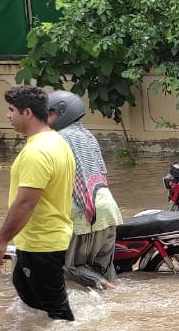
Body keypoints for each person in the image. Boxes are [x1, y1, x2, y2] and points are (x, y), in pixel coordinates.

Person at [0, 85, 77, 321]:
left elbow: (25, 203)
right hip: (46, 238)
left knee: (58, 312)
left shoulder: (36, 152)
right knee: (23, 285)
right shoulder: (57, 141)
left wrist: (0, 241)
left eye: (11, 110)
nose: (8, 115)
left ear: (27, 113)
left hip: (42, 242)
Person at [47, 90, 123, 291]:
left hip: (85, 212)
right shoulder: (87, 136)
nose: (47, 119)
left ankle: (107, 287)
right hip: (108, 209)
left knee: (69, 267)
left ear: (63, 112)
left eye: (50, 114)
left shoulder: (59, 139)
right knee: (104, 269)